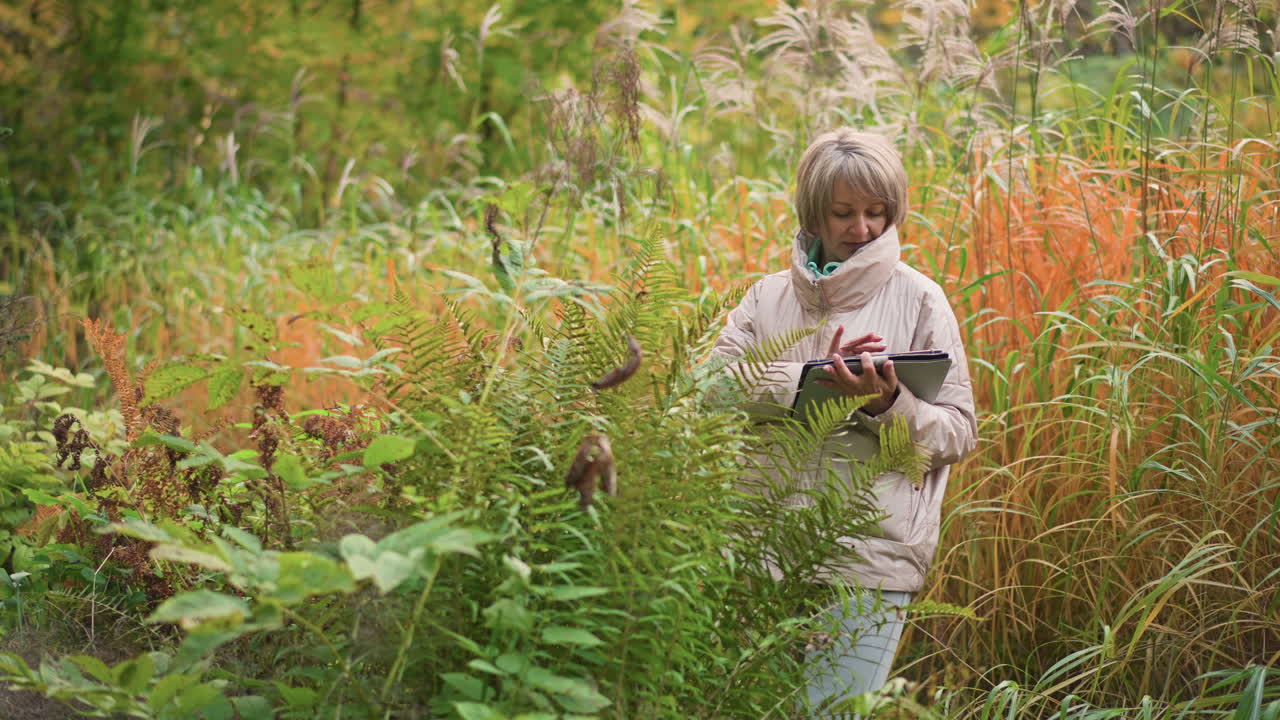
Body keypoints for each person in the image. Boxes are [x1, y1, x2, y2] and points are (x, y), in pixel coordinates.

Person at [710, 128, 977, 713]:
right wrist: (811, 379)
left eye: (877, 213)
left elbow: (959, 430)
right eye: (844, 214)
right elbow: (711, 386)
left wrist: (887, 405)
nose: (863, 230)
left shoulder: (921, 299)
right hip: (762, 551)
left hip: (870, 557)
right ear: (813, 213)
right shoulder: (766, 298)